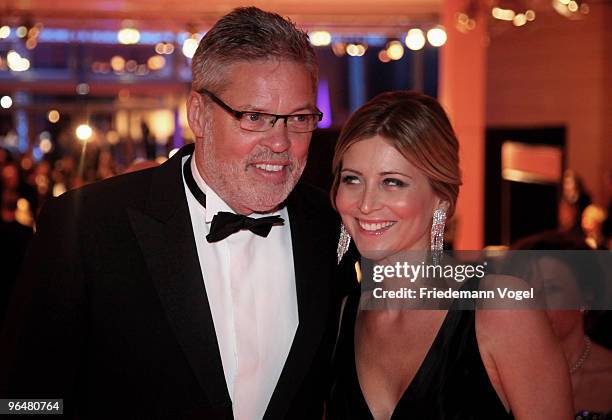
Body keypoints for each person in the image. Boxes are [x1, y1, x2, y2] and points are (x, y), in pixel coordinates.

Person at [0, 7, 356, 419]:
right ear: (199, 115)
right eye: (254, 117)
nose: (280, 143)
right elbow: (23, 400)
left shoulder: (331, 225)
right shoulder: (86, 227)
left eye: (298, 119)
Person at [326, 91, 573, 419]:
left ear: (441, 198)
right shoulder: (344, 316)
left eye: (393, 182)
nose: (366, 204)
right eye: (352, 179)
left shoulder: (501, 309)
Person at [512, 231, 612, 419]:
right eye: (525, 290)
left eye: (551, 289)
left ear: (585, 296)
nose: (535, 302)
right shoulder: (500, 376)